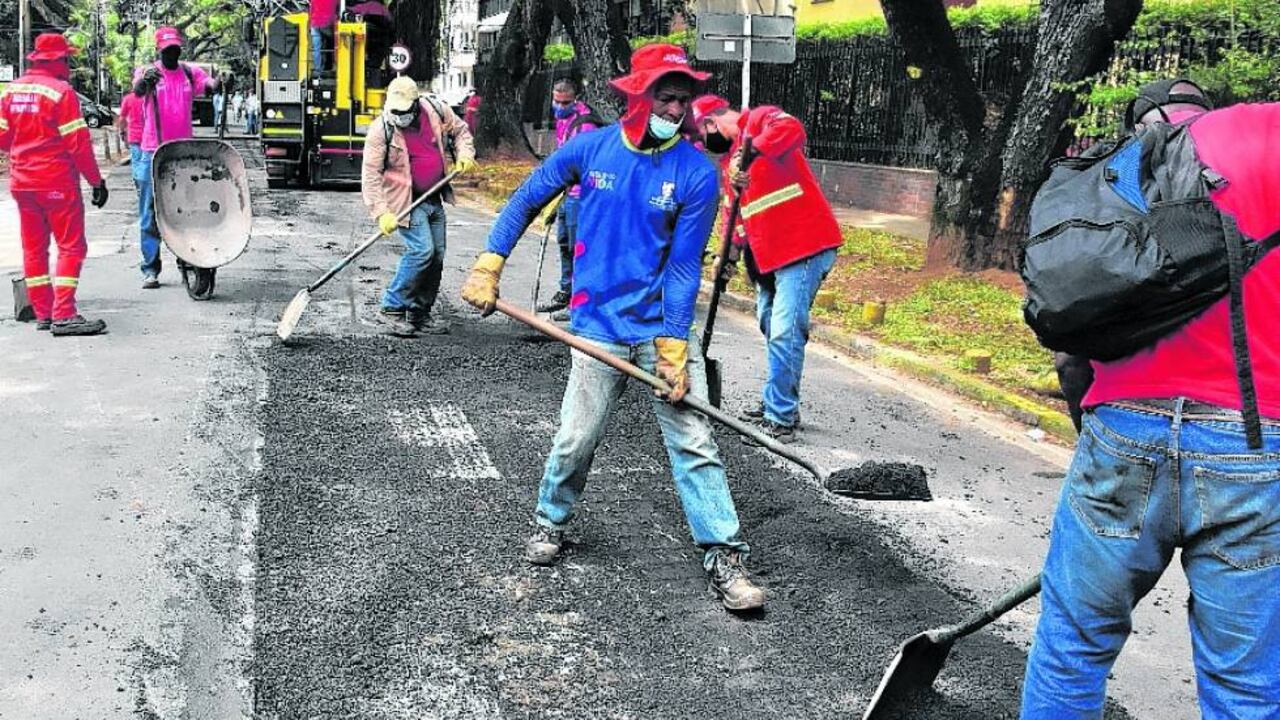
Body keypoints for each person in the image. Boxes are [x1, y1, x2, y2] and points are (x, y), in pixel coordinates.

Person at [460, 44, 766, 612]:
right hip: (597, 326)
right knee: (577, 436)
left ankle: (724, 554)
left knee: (695, 440)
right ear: (637, 97)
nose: (676, 110)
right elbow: (526, 199)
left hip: (659, 330)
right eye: (665, 98)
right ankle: (550, 520)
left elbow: (682, 268)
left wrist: (674, 345)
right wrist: (490, 261)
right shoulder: (591, 149)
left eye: (683, 100)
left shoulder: (696, 173)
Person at [1021, 80, 1280, 718]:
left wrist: (1093, 426)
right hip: (1254, 442)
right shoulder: (1266, 135)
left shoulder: (1118, 170)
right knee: (1245, 683)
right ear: (1211, 107)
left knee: (1072, 649)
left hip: (1122, 428)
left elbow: (1072, 341)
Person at [691, 94, 844, 444]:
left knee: (784, 332)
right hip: (769, 258)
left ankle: (780, 418)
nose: (704, 142)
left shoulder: (760, 120)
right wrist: (725, 258)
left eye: (702, 134)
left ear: (710, 122)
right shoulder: (730, 165)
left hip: (805, 246)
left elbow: (792, 129)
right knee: (770, 324)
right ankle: (779, 399)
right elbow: (734, 218)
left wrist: (753, 150)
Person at [0, 33, 109, 336]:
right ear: (57, 60)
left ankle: (43, 313)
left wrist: (26, 147)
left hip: (22, 184)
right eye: (67, 60)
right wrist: (96, 182)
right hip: (56, 182)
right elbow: (78, 145)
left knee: (34, 250)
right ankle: (64, 314)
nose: (69, 66)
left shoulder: (11, 91)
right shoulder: (61, 93)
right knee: (71, 247)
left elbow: (3, 139)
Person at [362, 76, 475, 338]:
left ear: (415, 104)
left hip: (434, 197)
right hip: (406, 202)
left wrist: (465, 154)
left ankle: (420, 312)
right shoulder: (381, 129)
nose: (398, 116)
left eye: (403, 111)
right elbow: (370, 175)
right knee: (422, 251)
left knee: (437, 255)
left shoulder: (436, 110)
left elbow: (461, 132)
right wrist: (381, 213)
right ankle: (392, 308)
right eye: (394, 110)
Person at [131, 26, 220, 289]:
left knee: (187, 209)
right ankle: (150, 269)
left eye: (175, 48)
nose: (172, 53)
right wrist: (145, 81)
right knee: (150, 212)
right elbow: (137, 91)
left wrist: (220, 83)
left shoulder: (190, 73)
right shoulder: (148, 73)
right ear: (159, 50)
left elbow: (209, 86)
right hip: (153, 151)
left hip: (182, 152)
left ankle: (188, 259)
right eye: (167, 49)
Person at [535, 77, 601, 321]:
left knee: (578, 248)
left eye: (565, 102)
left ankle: (580, 303)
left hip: (582, 196)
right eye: (557, 101)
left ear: (576, 100)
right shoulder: (563, 119)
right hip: (566, 193)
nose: (560, 106)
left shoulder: (585, 125)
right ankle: (566, 291)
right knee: (564, 243)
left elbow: (582, 164)